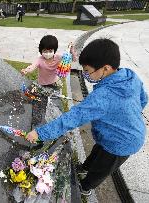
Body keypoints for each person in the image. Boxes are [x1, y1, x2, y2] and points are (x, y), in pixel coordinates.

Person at [26, 38, 148, 196]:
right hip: (116, 132)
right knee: (97, 152)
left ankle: (85, 187)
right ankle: (84, 167)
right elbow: (143, 99)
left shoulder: (103, 97)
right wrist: (125, 115)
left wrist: (40, 133)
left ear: (105, 68)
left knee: (101, 168)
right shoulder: (129, 76)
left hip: (124, 142)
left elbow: (73, 118)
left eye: (88, 71)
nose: (85, 75)